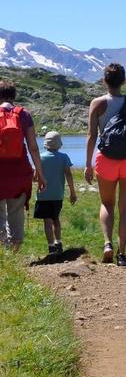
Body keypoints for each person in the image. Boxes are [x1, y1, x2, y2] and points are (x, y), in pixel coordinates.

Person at [85, 64, 126, 266]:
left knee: (107, 203)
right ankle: (122, 253)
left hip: (105, 160)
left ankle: (107, 244)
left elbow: (91, 136)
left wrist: (87, 164)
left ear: (104, 81)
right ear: (124, 81)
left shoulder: (97, 103)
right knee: (125, 207)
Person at [0, 80, 46, 251]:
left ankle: (3, 259)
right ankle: (13, 253)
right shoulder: (23, 114)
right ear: (14, 96)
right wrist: (40, 174)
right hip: (19, 174)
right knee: (16, 214)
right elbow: (33, 147)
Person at [35, 131, 76, 256]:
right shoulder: (64, 157)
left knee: (47, 221)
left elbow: (35, 177)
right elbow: (68, 174)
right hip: (58, 195)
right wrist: (72, 192)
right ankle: (59, 243)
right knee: (56, 219)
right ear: (59, 144)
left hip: (43, 195)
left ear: (45, 144)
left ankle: (51, 247)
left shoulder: (40, 158)